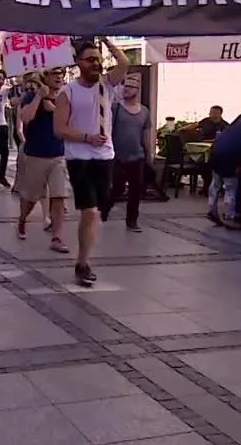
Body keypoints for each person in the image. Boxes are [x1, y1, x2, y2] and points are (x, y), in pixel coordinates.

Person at [54, 38, 131, 287]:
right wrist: (86, 138)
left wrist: (107, 39)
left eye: (98, 59)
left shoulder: (105, 86)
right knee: (89, 211)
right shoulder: (68, 92)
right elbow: (59, 128)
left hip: (105, 157)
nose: (96, 64)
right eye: (90, 59)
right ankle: (83, 263)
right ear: (78, 63)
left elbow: (124, 62)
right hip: (80, 158)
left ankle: (84, 257)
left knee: (98, 211)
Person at [16, 69, 68, 246]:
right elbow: (25, 117)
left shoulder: (64, 97)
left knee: (59, 196)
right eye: (54, 73)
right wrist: (39, 97)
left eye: (62, 72)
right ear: (45, 77)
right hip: (36, 155)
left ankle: (57, 237)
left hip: (58, 154)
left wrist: (53, 109)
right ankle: (23, 219)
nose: (59, 76)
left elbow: (71, 121)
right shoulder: (32, 96)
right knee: (31, 197)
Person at [101, 72, 151, 231]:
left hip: (137, 156)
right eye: (125, 86)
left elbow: (146, 133)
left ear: (137, 90)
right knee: (117, 188)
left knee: (136, 190)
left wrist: (148, 153)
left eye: (130, 87)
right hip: (117, 156)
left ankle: (132, 221)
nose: (126, 89)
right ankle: (104, 211)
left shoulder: (144, 111)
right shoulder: (116, 108)